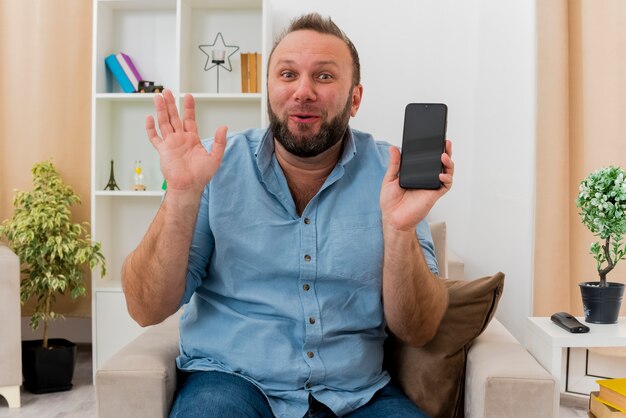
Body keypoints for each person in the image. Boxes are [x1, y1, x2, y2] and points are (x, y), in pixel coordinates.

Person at [122, 13, 454, 418]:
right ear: (269, 89)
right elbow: (145, 308)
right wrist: (181, 194)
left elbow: (418, 329)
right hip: (229, 382)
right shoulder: (213, 166)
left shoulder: (391, 173)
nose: (303, 91)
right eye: (287, 74)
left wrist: (399, 229)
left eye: (325, 76)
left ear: (355, 98)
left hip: (355, 394)